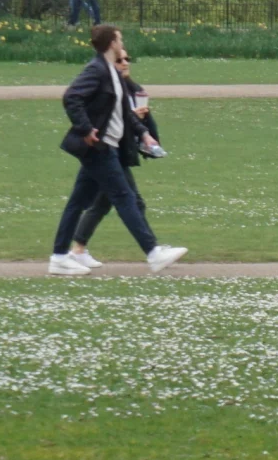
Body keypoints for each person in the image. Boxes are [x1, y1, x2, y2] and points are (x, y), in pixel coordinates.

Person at [48, 24, 185, 276]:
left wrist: (144, 134)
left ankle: (59, 257)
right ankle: (153, 253)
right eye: (120, 40)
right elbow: (71, 97)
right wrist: (86, 129)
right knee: (124, 198)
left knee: (78, 202)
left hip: (106, 148)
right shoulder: (97, 70)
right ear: (112, 43)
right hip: (100, 147)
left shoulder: (111, 72)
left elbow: (122, 112)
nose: (122, 44)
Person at [68, 52, 165, 269]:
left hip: (118, 153)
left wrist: (145, 123)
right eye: (119, 60)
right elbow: (108, 119)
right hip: (106, 151)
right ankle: (153, 250)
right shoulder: (108, 90)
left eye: (128, 59)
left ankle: (77, 249)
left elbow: (141, 122)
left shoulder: (134, 89)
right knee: (131, 201)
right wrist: (134, 120)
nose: (125, 63)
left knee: (101, 202)